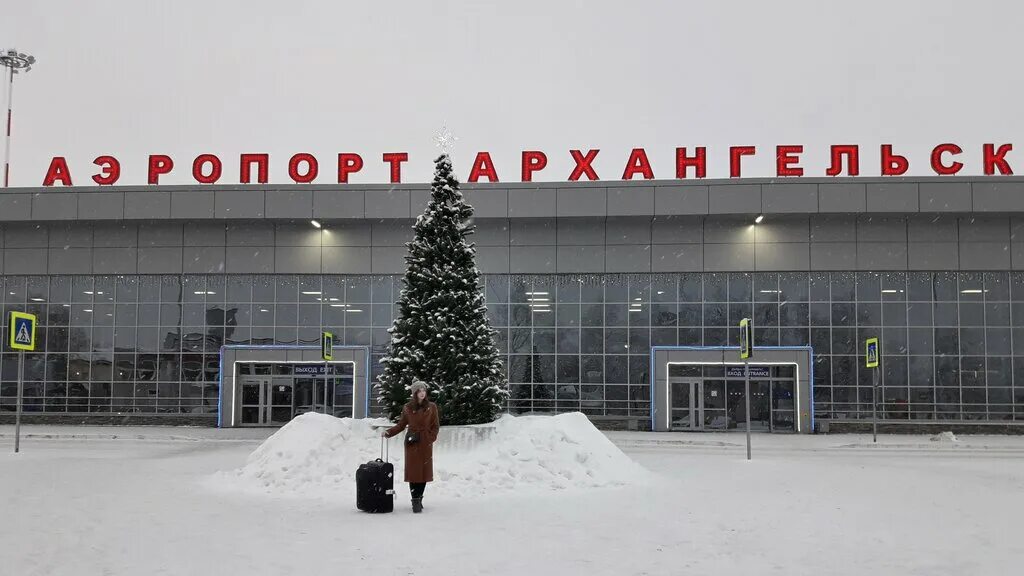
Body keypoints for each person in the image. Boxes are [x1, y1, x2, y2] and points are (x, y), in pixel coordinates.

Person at [383, 380, 440, 513]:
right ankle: (415, 500)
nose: (422, 393)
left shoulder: (432, 407)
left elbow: (435, 425)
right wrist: (388, 432)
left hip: (426, 442)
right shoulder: (408, 407)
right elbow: (401, 425)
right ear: (414, 393)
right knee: (414, 472)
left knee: (424, 472)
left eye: (424, 390)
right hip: (412, 442)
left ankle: (419, 498)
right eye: (419, 391)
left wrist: (431, 438)